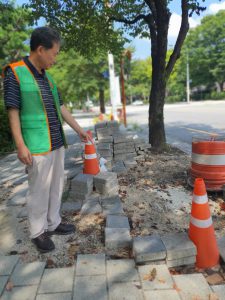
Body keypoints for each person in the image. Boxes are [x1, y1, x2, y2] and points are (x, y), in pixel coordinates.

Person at [3, 27, 90, 253]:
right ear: (40, 49)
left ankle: (54, 222)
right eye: (55, 52)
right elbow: (13, 110)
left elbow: (61, 107)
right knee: (38, 189)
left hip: (56, 142)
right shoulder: (15, 72)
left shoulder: (48, 77)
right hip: (36, 145)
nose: (56, 58)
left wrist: (79, 129)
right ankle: (37, 232)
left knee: (55, 186)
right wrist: (20, 145)